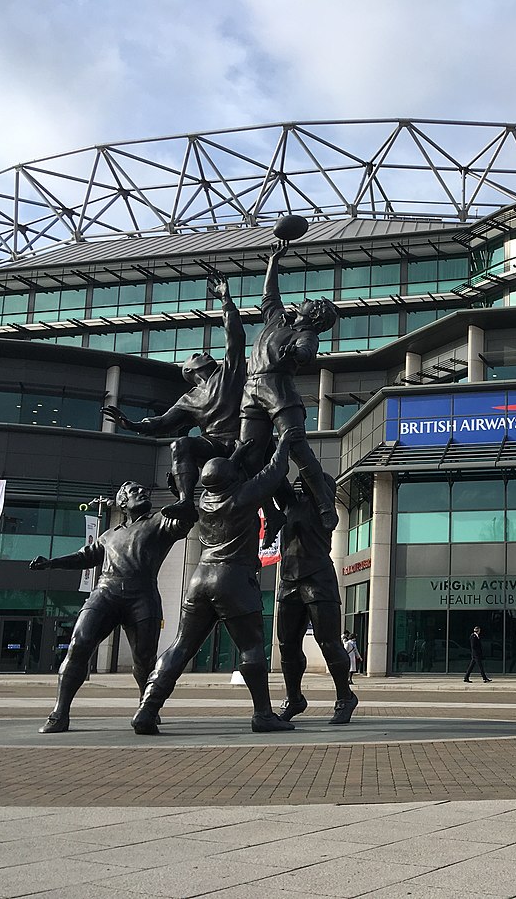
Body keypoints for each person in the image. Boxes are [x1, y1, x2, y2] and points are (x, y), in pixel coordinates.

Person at [131, 436, 295, 735]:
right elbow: (276, 469)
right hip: (232, 578)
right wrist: (284, 442)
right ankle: (263, 714)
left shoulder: (204, 500)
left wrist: (238, 453)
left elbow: (221, 474)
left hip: (200, 577)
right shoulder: (243, 495)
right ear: (234, 478)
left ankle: (147, 709)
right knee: (251, 647)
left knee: (180, 646)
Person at [29, 482, 192, 733]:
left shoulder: (160, 521)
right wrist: (52, 563)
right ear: (122, 502)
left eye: (144, 490)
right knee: (79, 644)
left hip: (143, 594)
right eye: (135, 490)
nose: (142, 492)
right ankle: (59, 713)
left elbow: (185, 521)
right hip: (106, 592)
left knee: (144, 660)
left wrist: (183, 496)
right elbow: (84, 556)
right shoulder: (108, 535)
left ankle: (146, 707)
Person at [102, 275, 245, 522]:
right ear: (189, 371)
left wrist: (226, 300)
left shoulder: (228, 374)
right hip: (214, 445)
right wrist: (132, 425)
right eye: (196, 355)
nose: (204, 352)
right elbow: (162, 422)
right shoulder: (188, 399)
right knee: (180, 444)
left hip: (241, 438)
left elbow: (235, 337)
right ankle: (185, 501)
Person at [239, 240, 340, 531]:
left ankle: (324, 504)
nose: (304, 300)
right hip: (251, 390)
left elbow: (307, 353)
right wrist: (273, 261)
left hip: (278, 390)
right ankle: (273, 510)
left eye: (311, 302)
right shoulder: (277, 319)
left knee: (296, 446)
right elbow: (269, 295)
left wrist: (297, 353)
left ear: (315, 314)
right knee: (248, 453)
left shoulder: (306, 334)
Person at [274, 474, 358, 726]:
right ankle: (294, 698)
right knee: (287, 644)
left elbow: (311, 474)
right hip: (289, 579)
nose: (302, 484)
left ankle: (345, 697)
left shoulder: (326, 510)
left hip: (318, 579)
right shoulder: (290, 503)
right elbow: (274, 475)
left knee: (329, 642)